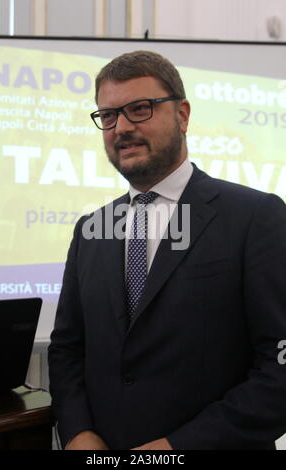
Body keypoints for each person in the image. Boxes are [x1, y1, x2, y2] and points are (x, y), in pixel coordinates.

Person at [48, 50, 286, 450]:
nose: (121, 127)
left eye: (140, 109)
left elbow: (277, 368)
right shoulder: (91, 231)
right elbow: (67, 350)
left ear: (183, 114)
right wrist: (77, 433)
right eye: (108, 116)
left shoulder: (256, 217)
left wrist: (175, 448)